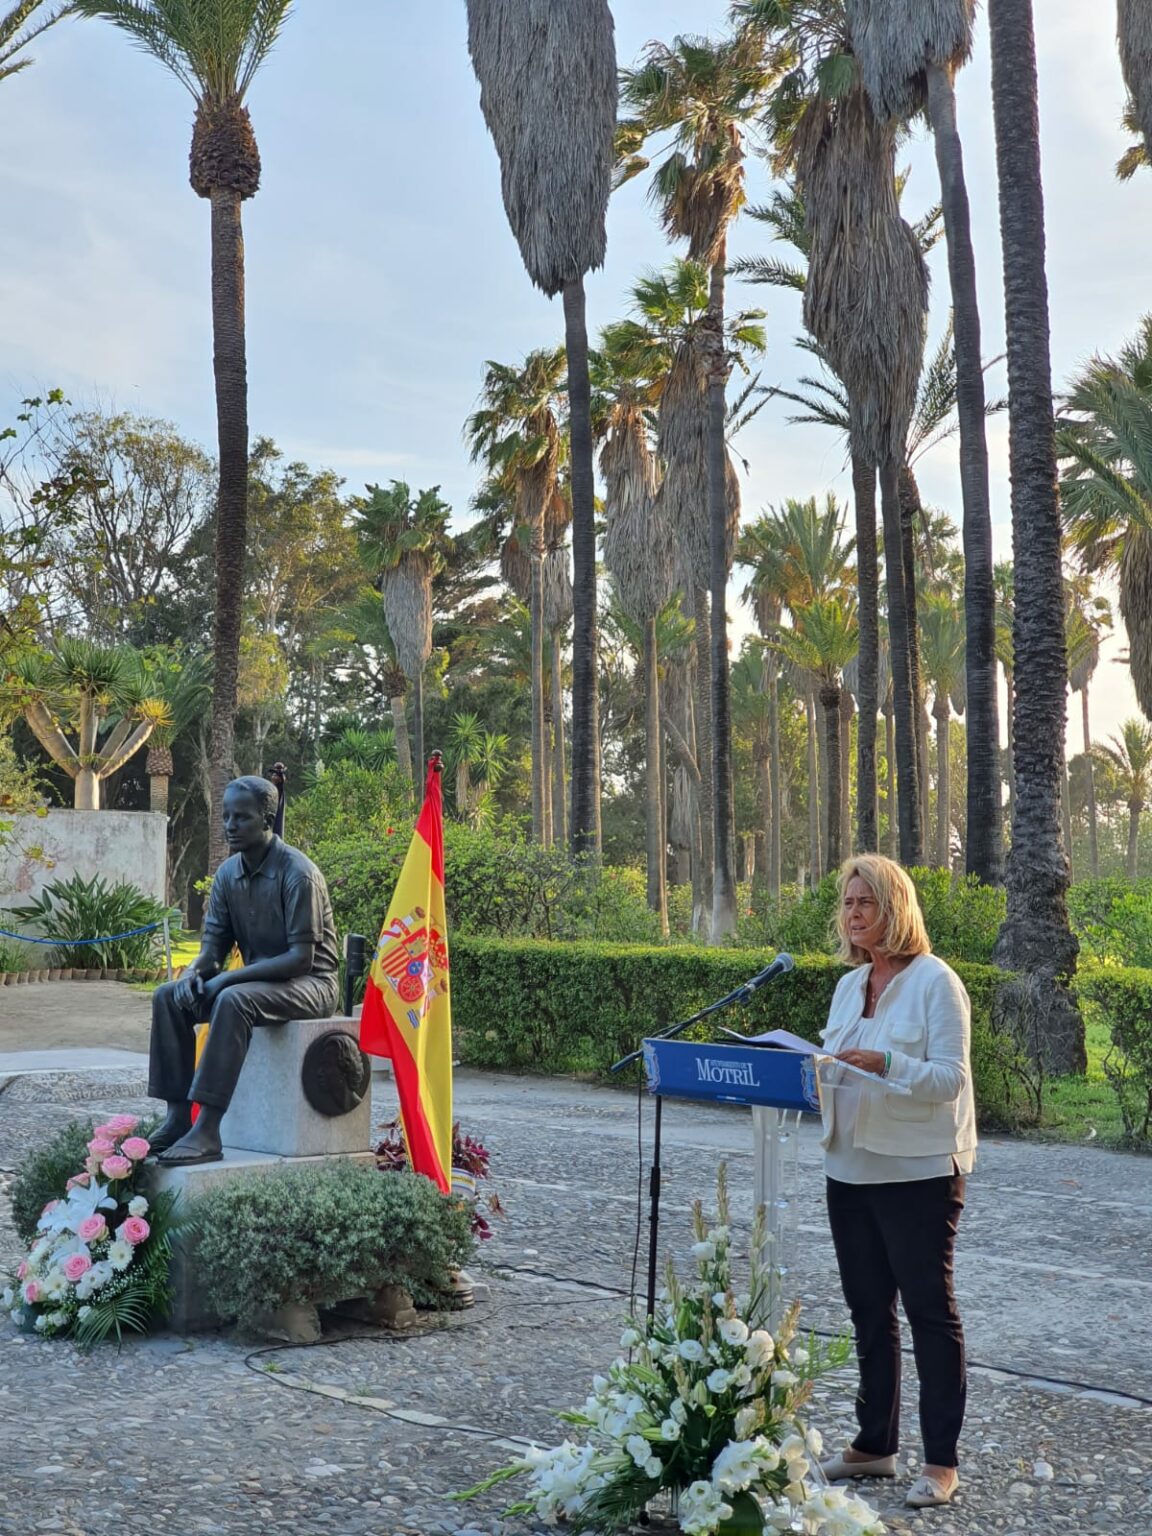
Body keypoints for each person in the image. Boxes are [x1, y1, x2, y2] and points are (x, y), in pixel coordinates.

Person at [817, 854, 976, 1510]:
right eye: (848, 904)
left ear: (895, 908)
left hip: (917, 1172)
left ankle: (941, 1462)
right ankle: (874, 1445)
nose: (854, 915)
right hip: (848, 1165)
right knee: (866, 1311)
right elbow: (832, 1062)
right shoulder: (849, 986)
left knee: (929, 1315)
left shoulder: (936, 982)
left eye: (866, 903)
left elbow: (950, 1079)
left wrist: (887, 1060)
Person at [148, 775, 340, 1166]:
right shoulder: (226, 875)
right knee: (168, 997)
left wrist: (226, 979)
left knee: (234, 1000)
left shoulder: (298, 874)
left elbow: (300, 959)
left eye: (243, 817)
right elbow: (212, 949)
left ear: (267, 821)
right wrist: (196, 975)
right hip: (260, 982)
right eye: (226, 817)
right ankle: (177, 1116)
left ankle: (208, 1130)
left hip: (310, 984)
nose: (231, 826)